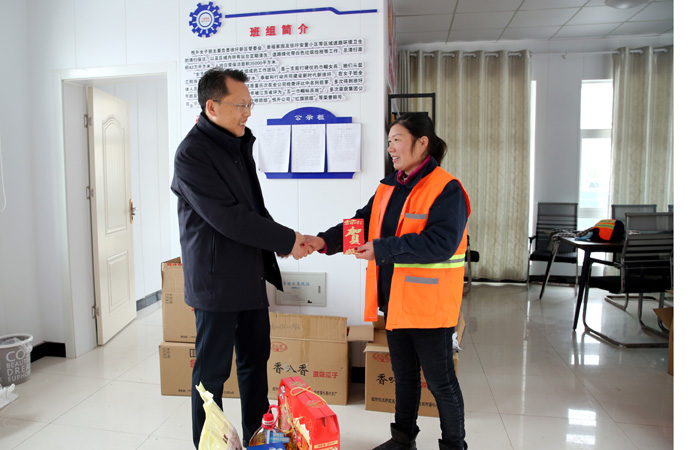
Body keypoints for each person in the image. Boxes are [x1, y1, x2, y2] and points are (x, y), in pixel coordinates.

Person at [304, 113, 470, 450]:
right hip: (395, 303)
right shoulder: (389, 186)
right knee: (404, 377)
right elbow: (360, 224)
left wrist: (382, 249)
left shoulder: (446, 188)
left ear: (422, 143)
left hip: (429, 308)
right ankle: (402, 440)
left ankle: (454, 446)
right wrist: (324, 241)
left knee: (440, 383)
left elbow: (441, 243)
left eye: (397, 140)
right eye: (389, 141)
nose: (391, 148)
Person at [171, 67, 307, 448]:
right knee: (211, 376)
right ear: (212, 106)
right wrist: (288, 239)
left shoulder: (236, 144)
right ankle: (208, 444)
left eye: (249, 104)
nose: (248, 112)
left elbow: (253, 210)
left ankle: (256, 437)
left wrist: (284, 241)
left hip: (249, 276)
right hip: (215, 284)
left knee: (254, 363)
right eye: (240, 105)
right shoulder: (192, 155)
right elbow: (229, 218)